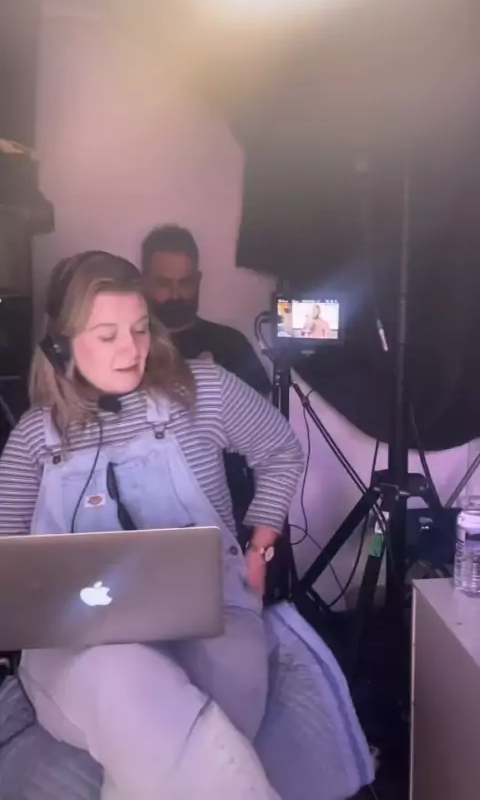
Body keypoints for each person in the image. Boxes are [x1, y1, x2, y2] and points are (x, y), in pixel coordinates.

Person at [0, 251, 303, 800]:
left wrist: (261, 546)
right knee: (124, 676)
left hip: (217, 618)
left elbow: (280, 449)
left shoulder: (203, 389)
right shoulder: (31, 441)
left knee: (169, 743)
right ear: (60, 345)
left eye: (140, 329)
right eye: (107, 335)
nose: (132, 349)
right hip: (76, 648)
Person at [141, 225, 270, 395]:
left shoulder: (231, 345)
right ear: (144, 282)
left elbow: (260, 406)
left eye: (185, 283)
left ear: (197, 281)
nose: (175, 295)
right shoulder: (131, 346)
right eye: (164, 284)